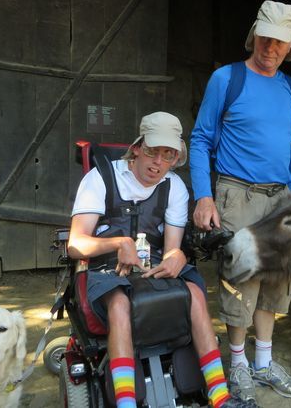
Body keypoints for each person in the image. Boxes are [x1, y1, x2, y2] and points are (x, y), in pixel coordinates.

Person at [68, 112, 254, 408]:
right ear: (138, 147)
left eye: (168, 156)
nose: (158, 164)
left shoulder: (174, 187)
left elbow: (170, 248)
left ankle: (220, 398)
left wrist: (176, 255)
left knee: (194, 292)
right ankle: (127, 403)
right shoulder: (101, 177)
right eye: (153, 152)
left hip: (151, 266)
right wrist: (119, 243)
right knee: (119, 304)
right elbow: (75, 244)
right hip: (105, 269)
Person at [189, 0, 291, 404]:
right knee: (241, 279)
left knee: (276, 277)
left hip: (279, 197)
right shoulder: (227, 79)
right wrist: (204, 196)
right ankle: (236, 362)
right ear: (254, 34)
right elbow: (200, 139)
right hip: (236, 193)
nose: (270, 47)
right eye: (265, 38)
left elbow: (290, 152)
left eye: (280, 42)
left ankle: (263, 362)